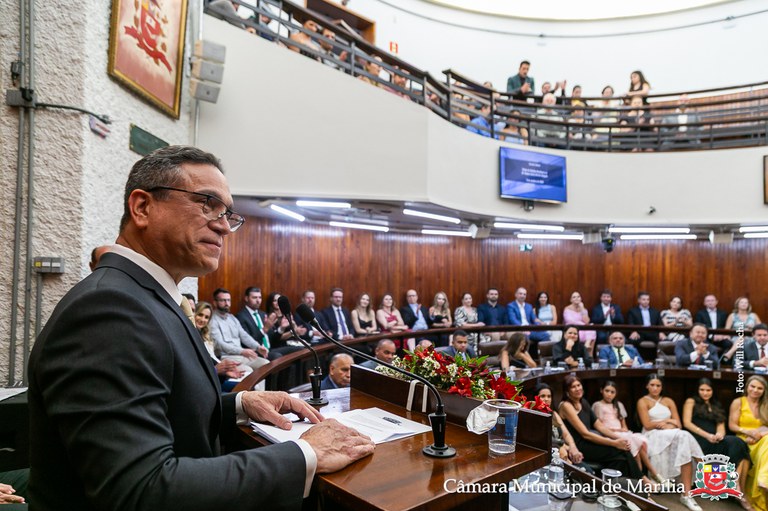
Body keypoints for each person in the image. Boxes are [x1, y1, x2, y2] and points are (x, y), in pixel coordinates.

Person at [27, 146, 375, 510]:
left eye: (227, 214)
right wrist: (306, 454)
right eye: (207, 204)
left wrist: (239, 404)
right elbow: (141, 490)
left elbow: (163, 408)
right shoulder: (109, 309)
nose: (224, 226)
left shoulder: (142, 295)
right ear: (142, 207)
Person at [558, 374, 647, 483]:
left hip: (590, 440)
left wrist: (618, 438)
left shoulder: (583, 402)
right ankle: (643, 481)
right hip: (580, 445)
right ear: (567, 390)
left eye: (579, 385)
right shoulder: (566, 405)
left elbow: (599, 425)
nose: (577, 389)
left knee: (622, 457)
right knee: (620, 451)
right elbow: (585, 434)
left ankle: (625, 486)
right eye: (573, 387)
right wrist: (614, 443)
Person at [637, 374, 704, 511]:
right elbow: (647, 424)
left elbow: (678, 423)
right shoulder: (643, 401)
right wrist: (667, 423)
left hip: (672, 432)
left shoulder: (668, 400)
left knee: (684, 437)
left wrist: (668, 423)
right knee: (684, 435)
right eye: (652, 385)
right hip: (652, 434)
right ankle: (703, 464)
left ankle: (686, 494)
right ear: (647, 386)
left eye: (658, 385)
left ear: (662, 387)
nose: (655, 388)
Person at [683, 378, 751, 509]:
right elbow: (687, 423)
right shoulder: (691, 401)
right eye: (702, 390)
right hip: (698, 439)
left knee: (739, 443)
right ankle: (736, 488)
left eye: (708, 390)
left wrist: (719, 435)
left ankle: (736, 484)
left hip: (715, 439)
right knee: (737, 443)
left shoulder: (716, 404)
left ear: (713, 391)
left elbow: (721, 426)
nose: (705, 393)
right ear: (697, 390)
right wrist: (707, 435)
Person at [592, 381, 664, 484]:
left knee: (638, 443)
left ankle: (646, 475)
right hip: (609, 434)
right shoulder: (598, 405)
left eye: (612, 392)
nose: (609, 394)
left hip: (622, 432)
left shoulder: (618, 405)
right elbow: (600, 426)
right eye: (607, 391)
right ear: (601, 390)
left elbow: (624, 424)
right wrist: (617, 431)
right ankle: (645, 477)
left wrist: (624, 430)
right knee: (633, 445)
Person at [729, 375, 768, 511]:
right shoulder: (738, 402)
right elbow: (732, 425)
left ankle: (763, 480)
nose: (755, 390)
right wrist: (748, 432)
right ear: (747, 387)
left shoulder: (766, 405)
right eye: (753, 386)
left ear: (764, 390)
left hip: (761, 439)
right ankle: (764, 479)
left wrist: (760, 433)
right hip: (743, 439)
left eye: (760, 388)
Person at [196, 301, 251, 392]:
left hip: (215, 375)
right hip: (204, 384)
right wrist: (218, 369)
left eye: (206, 317)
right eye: (200, 315)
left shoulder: (204, 334)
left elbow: (211, 358)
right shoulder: (191, 335)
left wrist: (226, 369)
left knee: (249, 385)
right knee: (245, 387)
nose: (203, 319)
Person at [534, 383, 585, 466]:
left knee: (587, 470)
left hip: (564, 451)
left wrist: (573, 447)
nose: (546, 399)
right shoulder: (533, 416)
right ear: (535, 398)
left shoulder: (554, 413)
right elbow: (544, 441)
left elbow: (566, 434)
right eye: (542, 396)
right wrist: (561, 447)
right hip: (551, 457)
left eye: (549, 396)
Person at [507, 287, 550, 357]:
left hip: (530, 329)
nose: (522, 296)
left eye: (524, 294)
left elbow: (534, 319)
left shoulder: (529, 306)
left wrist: (538, 326)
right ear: (516, 295)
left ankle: (542, 357)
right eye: (520, 294)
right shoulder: (511, 306)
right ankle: (525, 359)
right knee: (524, 337)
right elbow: (513, 320)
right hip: (519, 330)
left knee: (545, 335)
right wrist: (523, 328)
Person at [562, 291, 596, 355]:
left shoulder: (583, 309)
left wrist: (582, 309)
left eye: (578, 297)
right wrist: (582, 324)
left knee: (591, 327)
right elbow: (569, 321)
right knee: (585, 329)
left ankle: (587, 346)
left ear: (581, 299)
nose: (576, 298)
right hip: (572, 328)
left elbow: (587, 321)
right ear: (571, 300)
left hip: (583, 329)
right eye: (574, 297)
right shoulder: (567, 309)